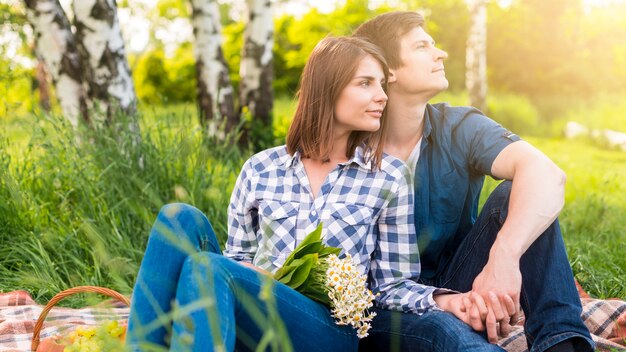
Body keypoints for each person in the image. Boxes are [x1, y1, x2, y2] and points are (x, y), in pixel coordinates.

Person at [126, 36, 444, 351]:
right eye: (366, 84)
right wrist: (252, 273)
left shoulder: (388, 176)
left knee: (210, 267)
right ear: (328, 88)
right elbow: (238, 259)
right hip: (260, 316)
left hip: (330, 330)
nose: (382, 96)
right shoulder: (261, 168)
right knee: (178, 218)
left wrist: (440, 300)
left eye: (381, 85)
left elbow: (391, 285)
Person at [353, 11, 594, 352]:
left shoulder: (458, 126)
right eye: (423, 46)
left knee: (519, 193)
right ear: (387, 70)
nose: (441, 54)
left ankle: (562, 344)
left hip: (461, 284)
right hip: (386, 305)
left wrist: (503, 258)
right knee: (440, 329)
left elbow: (547, 174)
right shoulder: (349, 145)